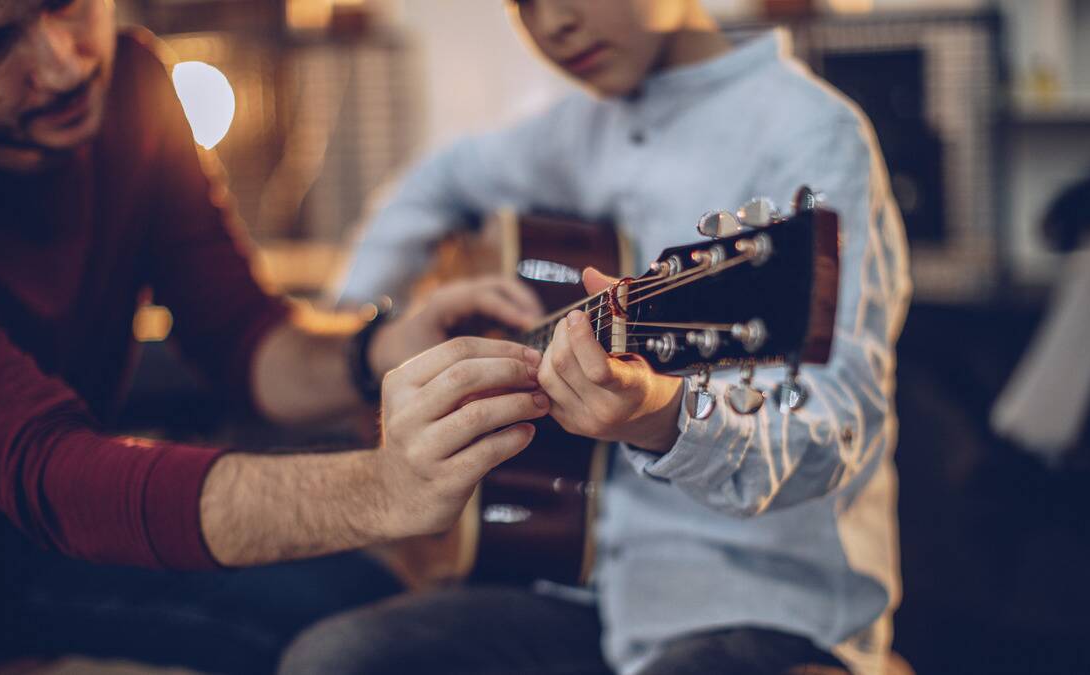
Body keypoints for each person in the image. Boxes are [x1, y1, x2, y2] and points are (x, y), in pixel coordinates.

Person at [288, 1, 911, 674]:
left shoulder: (809, 132)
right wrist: (372, 329)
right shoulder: (570, 132)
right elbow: (431, 184)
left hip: (760, 604)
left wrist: (667, 417)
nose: (553, 23)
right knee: (335, 660)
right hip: (581, 579)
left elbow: (839, 425)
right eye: (525, 2)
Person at [0, 0, 548, 672]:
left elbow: (241, 336)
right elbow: (54, 475)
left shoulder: (136, 85)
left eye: (68, 5)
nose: (61, 66)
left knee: (371, 611)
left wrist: (376, 350)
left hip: (53, 532)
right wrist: (381, 488)